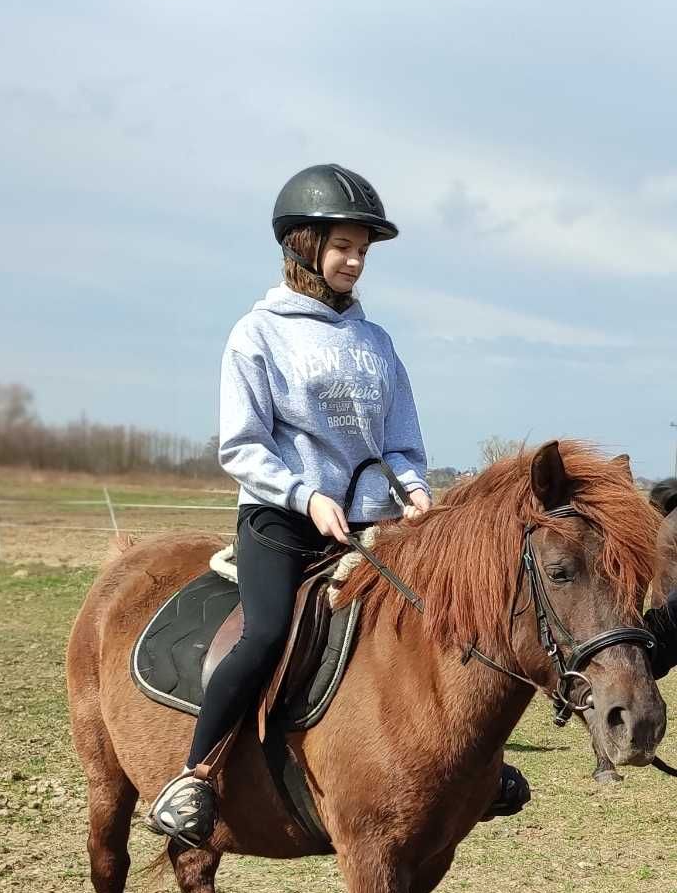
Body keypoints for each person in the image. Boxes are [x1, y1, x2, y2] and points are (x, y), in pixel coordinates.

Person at [146, 161, 529, 846]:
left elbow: (403, 443)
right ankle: (197, 774)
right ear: (303, 245)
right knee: (265, 635)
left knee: (437, 620)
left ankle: (475, 768)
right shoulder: (256, 335)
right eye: (342, 246)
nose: (354, 260)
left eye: (362, 249)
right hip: (282, 522)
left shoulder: (376, 343)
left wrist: (414, 492)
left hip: (369, 525)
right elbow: (241, 445)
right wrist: (302, 494)